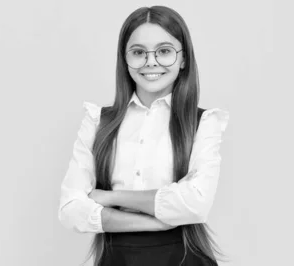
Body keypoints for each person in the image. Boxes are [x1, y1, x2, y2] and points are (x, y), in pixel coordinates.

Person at [58, 5, 230, 266]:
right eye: (139, 52)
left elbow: (196, 203)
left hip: (185, 258)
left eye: (164, 51)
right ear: (125, 60)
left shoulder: (203, 123)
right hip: (117, 259)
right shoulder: (97, 122)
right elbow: (70, 210)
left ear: (183, 59)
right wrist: (156, 222)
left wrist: (111, 197)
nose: (151, 62)